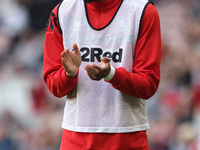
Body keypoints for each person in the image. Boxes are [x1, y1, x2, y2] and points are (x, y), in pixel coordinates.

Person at [43, 0, 161, 149]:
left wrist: (112, 74)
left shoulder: (143, 12)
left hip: (127, 140)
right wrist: (69, 74)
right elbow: (55, 87)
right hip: (75, 139)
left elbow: (148, 85)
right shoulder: (60, 12)